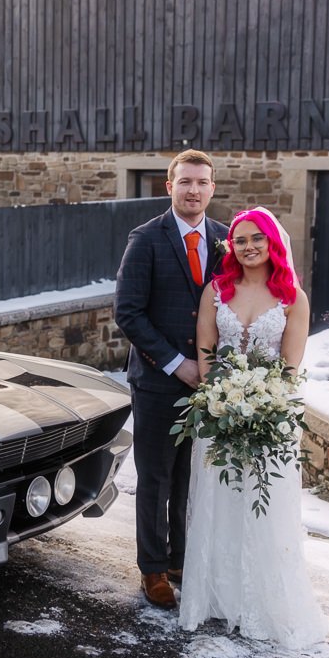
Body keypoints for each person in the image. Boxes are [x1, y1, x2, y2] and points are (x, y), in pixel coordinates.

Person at [178, 206, 327, 648]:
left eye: (255, 239)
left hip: (269, 418)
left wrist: (264, 407)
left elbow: (290, 367)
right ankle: (216, 600)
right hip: (218, 415)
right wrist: (218, 401)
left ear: (272, 243)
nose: (247, 247)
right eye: (239, 241)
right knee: (218, 503)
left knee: (263, 511)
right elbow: (206, 349)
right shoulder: (216, 292)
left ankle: (262, 604)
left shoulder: (292, 298)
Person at [114, 149, 229, 609]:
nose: (194, 190)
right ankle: (154, 569)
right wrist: (175, 362)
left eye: (202, 182)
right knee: (156, 477)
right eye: (185, 182)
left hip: (208, 385)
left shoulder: (225, 239)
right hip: (159, 382)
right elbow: (129, 313)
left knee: (190, 478)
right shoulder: (145, 239)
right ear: (169, 186)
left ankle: (182, 559)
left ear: (212, 188)